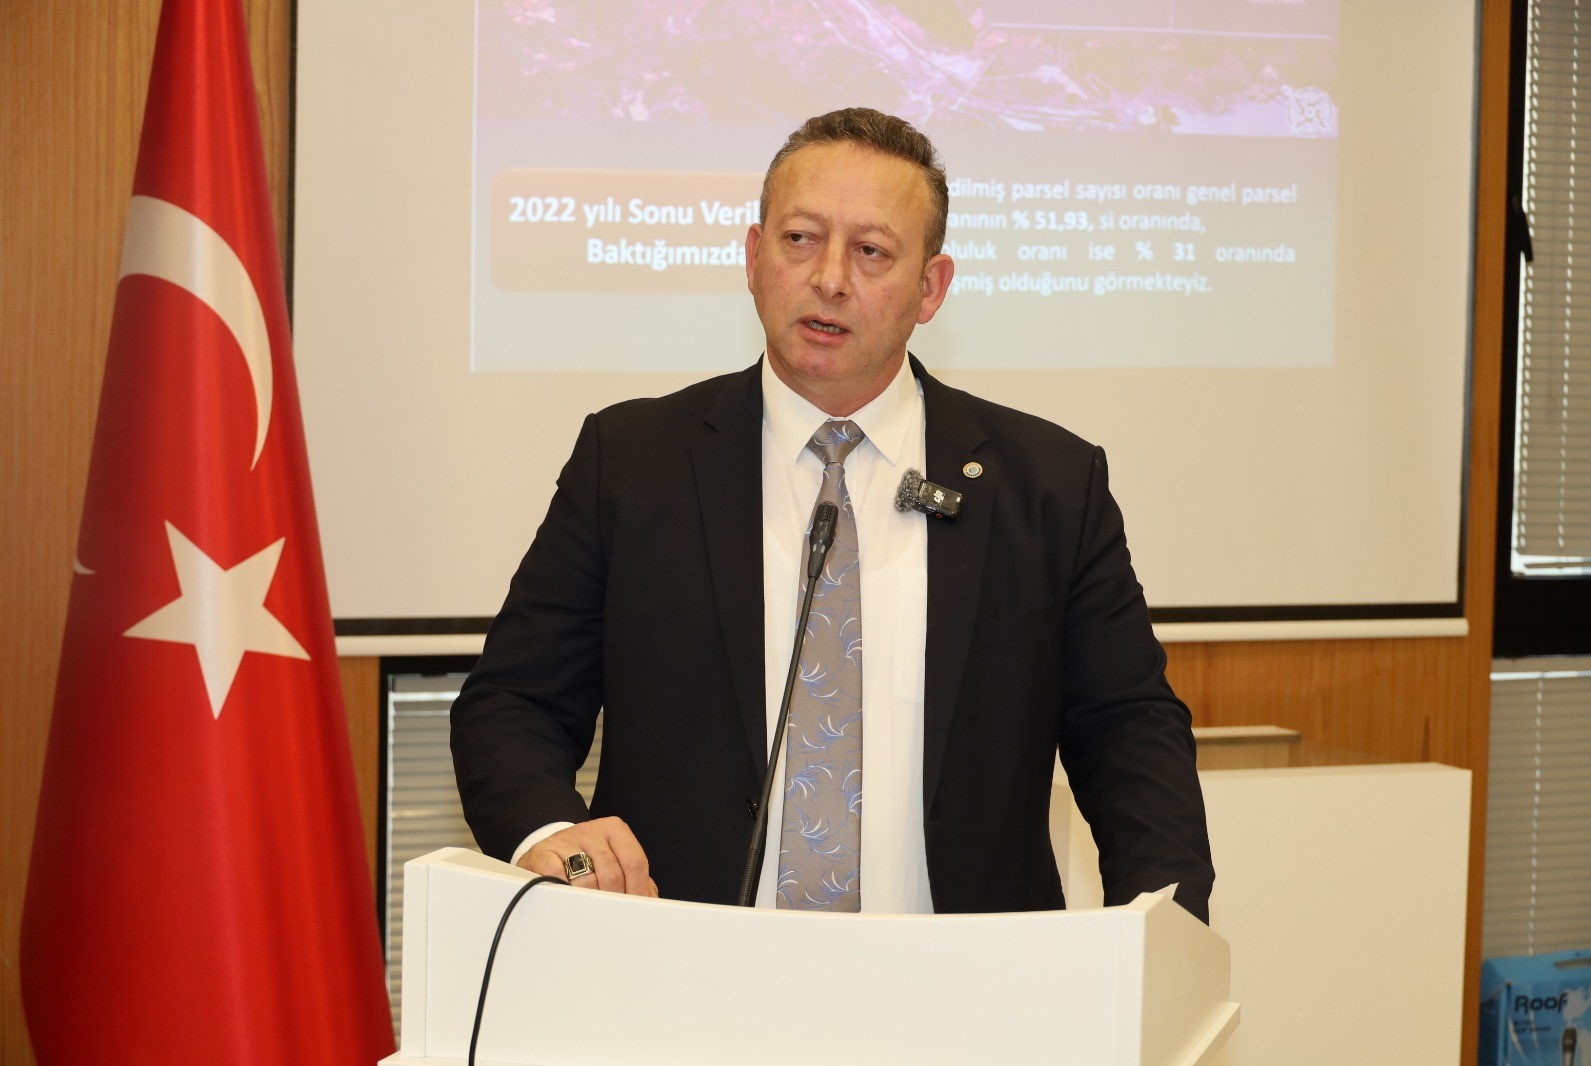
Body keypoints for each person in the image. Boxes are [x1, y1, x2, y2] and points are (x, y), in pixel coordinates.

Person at [451, 107, 1213, 920]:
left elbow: (1128, 733)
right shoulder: (632, 463)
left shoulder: (1047, 486)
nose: (830, 279)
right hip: (686, 961)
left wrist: (1162, 928)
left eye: (872, 251)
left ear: (930, 288)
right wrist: (554, 835)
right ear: (753, 257)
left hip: (968, 974)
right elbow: (514, 704)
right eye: (800, 239)